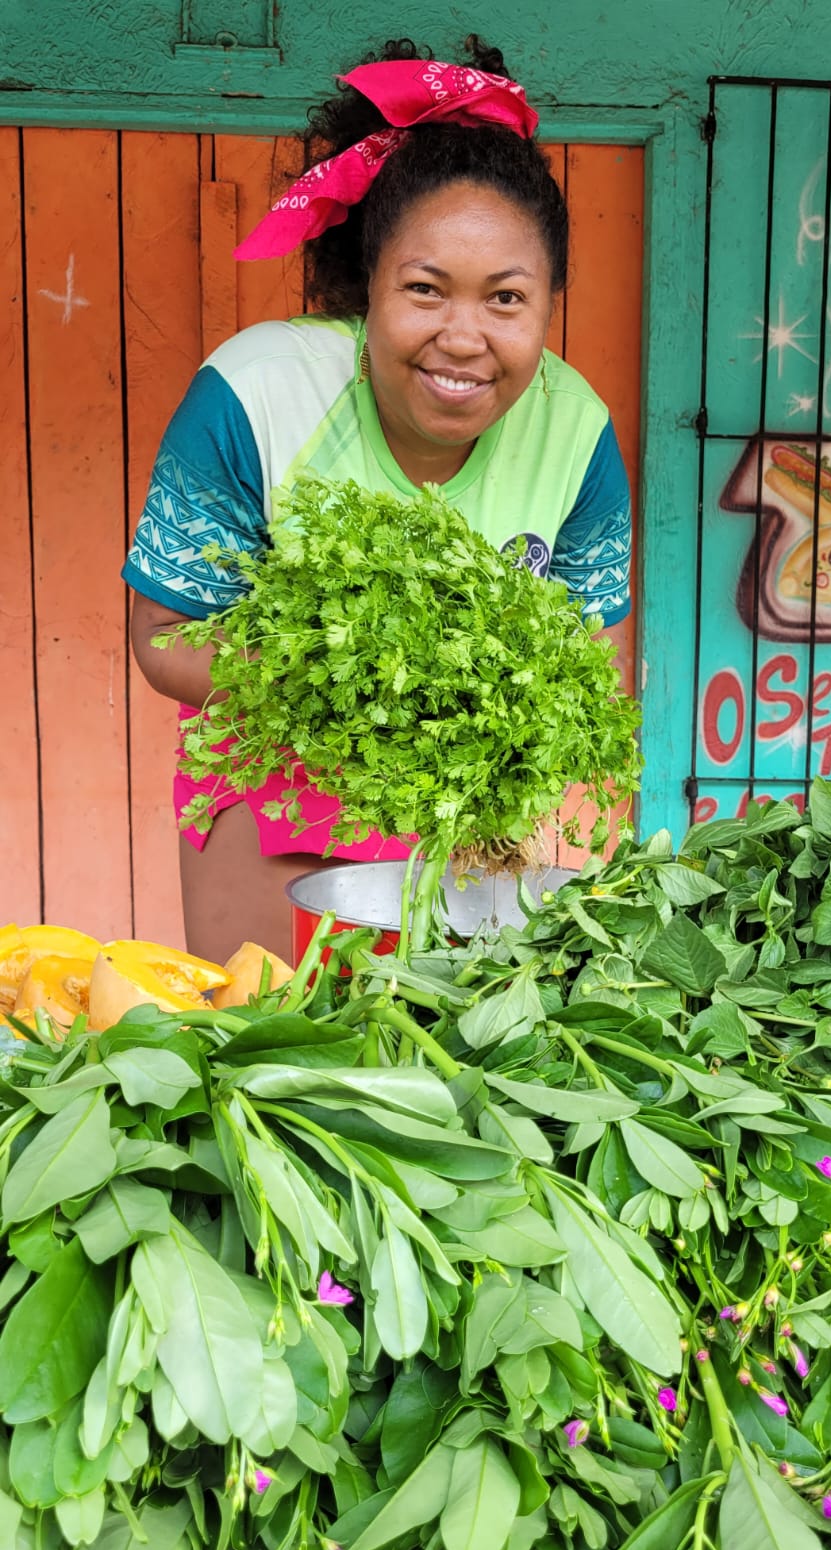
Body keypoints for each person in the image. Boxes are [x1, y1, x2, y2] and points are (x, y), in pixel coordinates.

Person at [124, 35, 633, 965]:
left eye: (506, 299)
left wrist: (472, 733)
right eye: (426, 290)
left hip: (471, 821)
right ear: (370, 284)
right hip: (274, 799)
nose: (464, 337)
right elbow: (164, 634)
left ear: (550, 300)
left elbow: (585, 659)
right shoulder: (258, 392)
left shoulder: (578, 433)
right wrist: (350, 693)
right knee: (275, 1034)